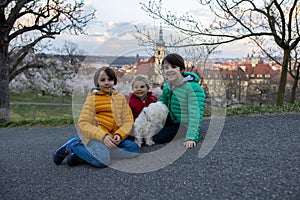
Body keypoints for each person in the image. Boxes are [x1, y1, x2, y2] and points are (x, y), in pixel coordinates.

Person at [53, 67, 140, 168]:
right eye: (103, 80)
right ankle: (74, 146)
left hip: (113, 137)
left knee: (134, 149)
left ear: (114, 81)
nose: (107, 82)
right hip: (97, 137)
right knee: (102, 162)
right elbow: (83, 123)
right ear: (97, 82)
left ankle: (83, 155)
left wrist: (119, 135)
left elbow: (128, 121)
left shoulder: (120, 98)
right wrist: (103, 136)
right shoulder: (93, 98)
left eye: (110, 79)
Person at [152, 53, 206, 148]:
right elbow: (162, 103)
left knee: (158, 138)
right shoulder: (168, 84)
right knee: (147, 128)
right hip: (171, 118)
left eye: (173, 67)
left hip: (183, 124)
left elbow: (195, 114)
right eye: (166, 68)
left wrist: (191, 137)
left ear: (182, 70)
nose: (169, 70)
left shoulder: (194, 89)